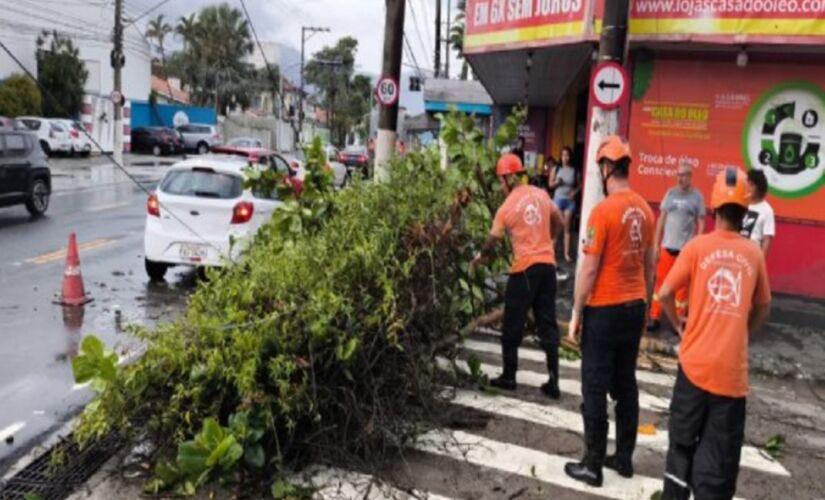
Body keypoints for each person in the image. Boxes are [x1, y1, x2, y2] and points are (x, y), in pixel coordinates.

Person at [660, 167, 772, 500]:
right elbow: (764, 307)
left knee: (681, 446)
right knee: (718, 463)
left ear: (714, 208)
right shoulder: (753, 254)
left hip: (693, 366)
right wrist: (743, 332)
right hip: (730, 377)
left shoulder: (697, 247)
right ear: (744, 212)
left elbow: (665, 293)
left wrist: (681, 326)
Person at [564, 136, 656, 487]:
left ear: (606, 168)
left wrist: (576, 312)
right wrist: (646, 307)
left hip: (604, 310)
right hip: (634, 308)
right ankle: (624, 458)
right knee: (625, 384)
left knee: (595, 386)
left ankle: (592, 464)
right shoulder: (645, 210)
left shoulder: (603, 212)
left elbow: (588, 270)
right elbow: (650, 266)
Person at [471, 153, 565, 398]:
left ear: (509, 178)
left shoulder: (507, 207)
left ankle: (509, 376)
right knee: (548, 324)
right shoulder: (542, 194)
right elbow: (560, 221)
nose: (501, 185)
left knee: (512, 322)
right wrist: (551, 241)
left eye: (502, 180)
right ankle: (554, 381)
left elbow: (492, 242)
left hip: (524, 269)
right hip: (547, 267)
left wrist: (480, 258)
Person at [648, 161, 706, 331]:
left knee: (681, 288)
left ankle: (678, 320)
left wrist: (697, 247)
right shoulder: (670, 194)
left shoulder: (697, 197)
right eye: (678, 175)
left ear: (690, 176)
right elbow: (661, 219)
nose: (680, 178)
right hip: (667, 247)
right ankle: (654, 317)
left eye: (684, 175)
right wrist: (656, 245)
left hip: (685, 250)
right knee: (660, 283)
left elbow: (701, 223)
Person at [547, 146, 581, 262]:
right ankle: (551, 253)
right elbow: (550, 185)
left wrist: (574, 192)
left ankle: (566, 254)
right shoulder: (556, 169)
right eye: (563, 155)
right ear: (560, 156)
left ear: (570, 157)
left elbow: (580, 184)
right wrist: (557, 183)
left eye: (567, 155)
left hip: (569, 201)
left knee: (567, 227)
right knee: (557, 227)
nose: (565, 158)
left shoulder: (574, 170)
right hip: (558, 199)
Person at [741, 169, 775, 257]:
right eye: (747, 184)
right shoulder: (740, 203)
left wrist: (761, 263)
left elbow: (766, 239)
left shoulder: (767, 210)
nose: (748, 187)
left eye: (751, 185)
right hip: (736, 253)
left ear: (760, 188)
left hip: (752, 256)